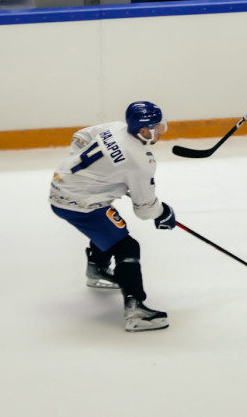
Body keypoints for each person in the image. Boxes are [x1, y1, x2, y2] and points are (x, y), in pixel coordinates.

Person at [49, 101, 176, 332]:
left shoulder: (116, 128)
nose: (160, 131)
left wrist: (95, 172)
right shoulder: (140, 161)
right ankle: (136, 310)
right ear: (143, 130)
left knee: (111, 227)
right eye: (156, 127)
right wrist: (163, 212)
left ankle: (97, 268)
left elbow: (80, 136)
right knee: (127, 246)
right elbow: (145, 209)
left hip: (63, 183)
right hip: (79, 202)